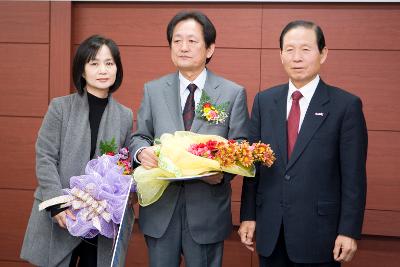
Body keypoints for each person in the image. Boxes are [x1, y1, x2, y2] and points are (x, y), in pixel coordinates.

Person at [239, 20, 368, 267]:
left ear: (323, 53)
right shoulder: (264, 101)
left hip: (321, 235)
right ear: (281, 55)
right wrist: (248, 216)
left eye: (306, 49)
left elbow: (354, 178)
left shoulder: (345, 106)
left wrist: (349, 230)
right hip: (270, 232)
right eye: (289, 49)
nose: (297, 57)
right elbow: (251, 166)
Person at [132, 11, 249, 267]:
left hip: (207, 211)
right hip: (161, 211)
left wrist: (220, 172)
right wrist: (141, 153)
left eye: (192, 41)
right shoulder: (153, 90)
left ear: (209, 48)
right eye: (177, 41)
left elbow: (240, 146)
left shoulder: (232, 92)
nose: (183, 47)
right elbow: (139, 135)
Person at [20, 35, 135, 267]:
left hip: (100, 222)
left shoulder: (125, 116)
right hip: (63, 215)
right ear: (82, 71)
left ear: (117, 69)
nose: (103, 70)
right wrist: (55, 204)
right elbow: (45, 157)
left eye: (109, 63)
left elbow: (124, 165)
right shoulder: (60, 107)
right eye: (94, 63)